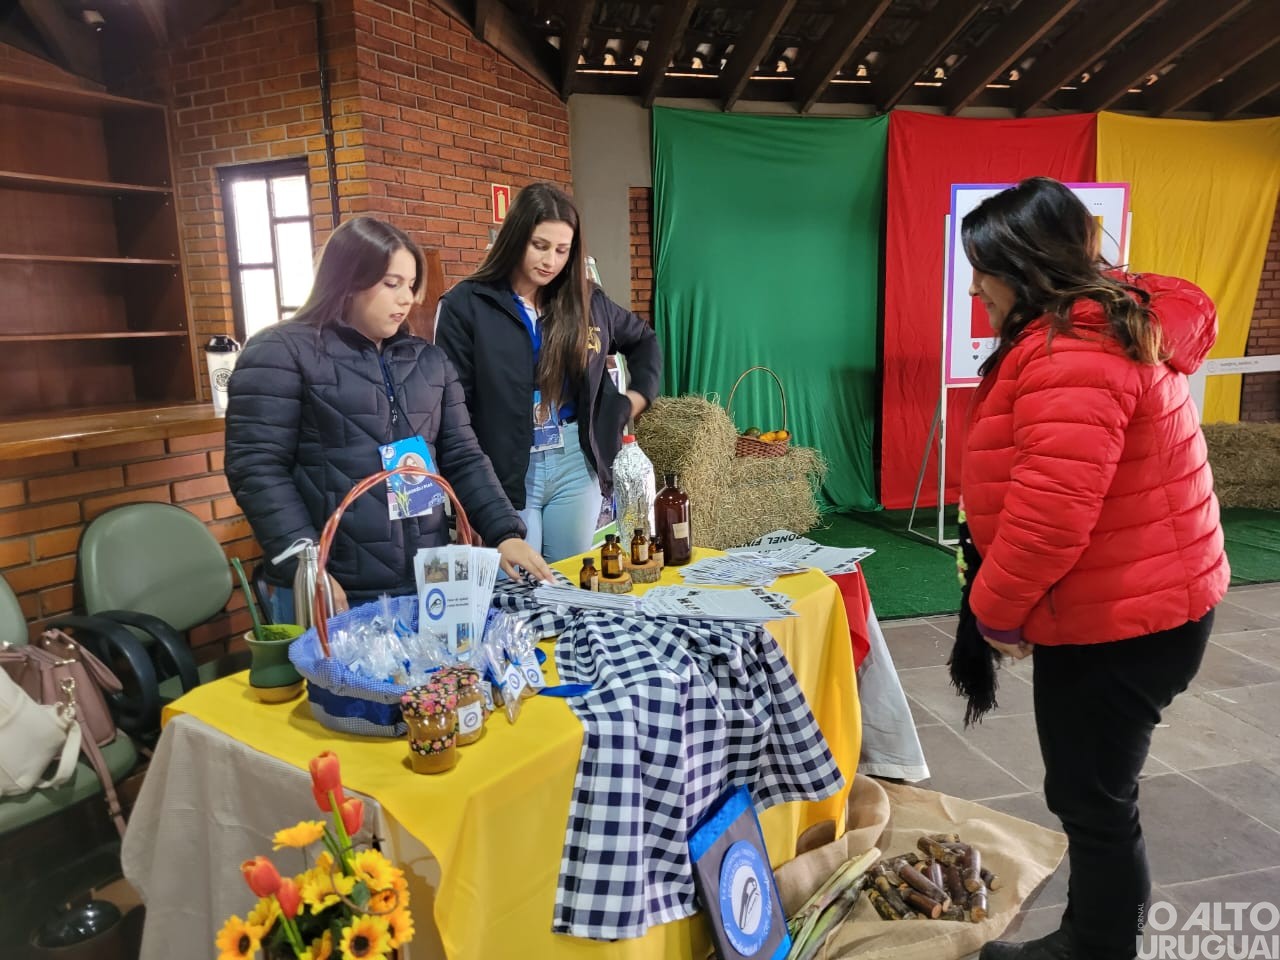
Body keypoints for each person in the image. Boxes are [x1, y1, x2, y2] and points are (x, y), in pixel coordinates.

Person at [957, 178, 1228, 960]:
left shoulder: (1073, 352)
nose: (975, 287)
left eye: (984, 269)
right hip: (1141, 602)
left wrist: (996, 611)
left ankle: (1097, 946)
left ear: (1027, 267)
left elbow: (1051, 516)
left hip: (1124, 619)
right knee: (1094, 789)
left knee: (1092, 795)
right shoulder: (1097, 328)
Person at [225, 216, 553, 623]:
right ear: (346, 279)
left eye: (411, 285)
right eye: (391, 283)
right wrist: (306, 568)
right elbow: (256, 469)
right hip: (335, 587)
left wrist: (504, 532)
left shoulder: (428, 361)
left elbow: (464, 457)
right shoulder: (280, 353)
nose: (407, 299)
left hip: (425, 579)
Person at [434, 182, 662, 563]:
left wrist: (634, 400)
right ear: (515, 237)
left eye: (562, 250)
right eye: (540, 246)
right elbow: (455, 406)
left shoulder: (586, 300)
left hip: (575, 461)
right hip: (504, 468)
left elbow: (644, 341)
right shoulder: (465, 305)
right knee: (520, 583)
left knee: (569, 578)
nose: (551, 261)